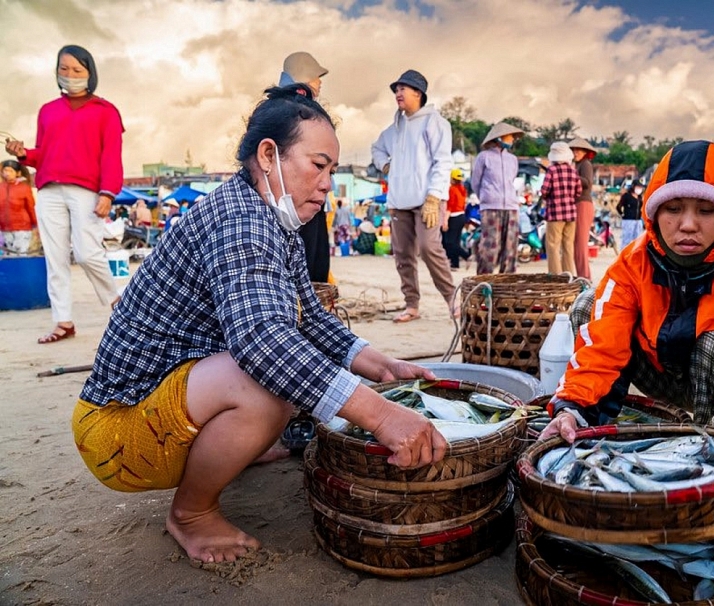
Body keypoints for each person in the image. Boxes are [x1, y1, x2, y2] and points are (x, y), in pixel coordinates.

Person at [72, 85, 447, 565]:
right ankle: (190, 514)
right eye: (318, 165)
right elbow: (263, 342)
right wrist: (384, 416)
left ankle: (236, 448)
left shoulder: (272, 220)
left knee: (295, 370)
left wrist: (379, 364)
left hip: (167, 404)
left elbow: (308, 316)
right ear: (268, 155)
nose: (329, 183)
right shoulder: (240, 220)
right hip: (118, 432)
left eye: (332, 170)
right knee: (268, 383)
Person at [540, 140, 714, 447]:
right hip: (659, 370)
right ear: (654, 212)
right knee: (588, 303)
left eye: (707, 210)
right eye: (673, 208)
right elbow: (602, 346)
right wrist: (573, 405)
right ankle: (595, 427)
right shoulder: (633, 263)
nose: (688, 225)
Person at [5, 45, 122, 343]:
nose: (69, 75)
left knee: (87, 252)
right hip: (48, 190)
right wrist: (23, 154)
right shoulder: (47, 110)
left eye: (77, 70)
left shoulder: (105, 111)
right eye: (63, 69)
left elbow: (111, 154)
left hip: (86, 189)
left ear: (90, 73)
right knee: (54, 259)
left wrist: (108, 192)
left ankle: (120, 304)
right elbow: (43, 153)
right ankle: (63, 321)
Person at [371, 69, 456, 322]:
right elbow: (376, 148)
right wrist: (385, 165)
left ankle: (453, 300)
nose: (398, 93)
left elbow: (443, 162)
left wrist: (434, 197)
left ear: (418, 93)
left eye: (402, 89)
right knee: (402, 254)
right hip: (399, 201)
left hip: (426, 200)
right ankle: (412, 305)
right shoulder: (394, 128)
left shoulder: (435, 122)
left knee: (430, 248)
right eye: (396, 89)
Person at [279, 51, 331, 283]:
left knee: (316, 260)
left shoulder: (287, 107)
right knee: (307, 263)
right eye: (317, 76)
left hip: (308, 196)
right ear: (304, 75)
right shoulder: (292, 110)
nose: (320, 83)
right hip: (296, 197)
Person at [471, 122, 524, 275]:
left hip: (511, 207)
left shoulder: (512, 159)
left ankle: (507, 283)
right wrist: (487, 197)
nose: (513, 139)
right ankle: (483, 281)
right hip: (490, 208)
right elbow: (476, 182)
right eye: (510, 136)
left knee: (510, 247)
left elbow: (511, 180)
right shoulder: (484, 157)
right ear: (500, 137)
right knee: (490, 247)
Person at [540, 141, 580, 275]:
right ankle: (569, 274)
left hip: (555, 214)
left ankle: (556, 275)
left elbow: (544, 190)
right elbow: (578, 192)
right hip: (571, 214)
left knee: (553, 245)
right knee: (568, 246)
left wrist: (550, 198)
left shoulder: (551, 170)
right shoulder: (573, 171)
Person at [568, 137, 597, 280]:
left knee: (580, 245)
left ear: (585, 152)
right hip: (577, 204)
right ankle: (582, 276)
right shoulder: (576, 165)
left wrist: (570, 175)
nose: (575, 152)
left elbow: (587, 183)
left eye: (578, 150)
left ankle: (585, 277)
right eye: (573, 150)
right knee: (575, 245)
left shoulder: (585, 164)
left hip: (583, 204)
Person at [0, 159, 38, 254]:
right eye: (5, 170)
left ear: (18, 173)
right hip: (5, 228)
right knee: (9, 254)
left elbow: (31, 207)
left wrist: (36, 224)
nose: (7, 173)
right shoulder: (1, 188)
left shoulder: (24, 188)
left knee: (21, 253)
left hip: (22, 227)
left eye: (10, 171)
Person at [442, 168, 470, 270]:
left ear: (452, 178)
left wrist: (445, 220)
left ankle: (467, 256)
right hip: (461, 216)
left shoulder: (452, 189)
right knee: (456, 241)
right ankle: (455, 263)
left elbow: (450, 207)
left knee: (450, 242)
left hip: (454, 217)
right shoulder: (462, 189)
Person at [616, 179, 644, 247]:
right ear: (633, 187)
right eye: (638, 187)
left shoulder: (640, 198)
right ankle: (624, 255)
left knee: (637, 240)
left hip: (638, 220)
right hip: (628, 220)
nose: (639, 189)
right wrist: (622, 215)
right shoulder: (627, 196)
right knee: (627, 239)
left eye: (640, 188)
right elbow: (618, 207)